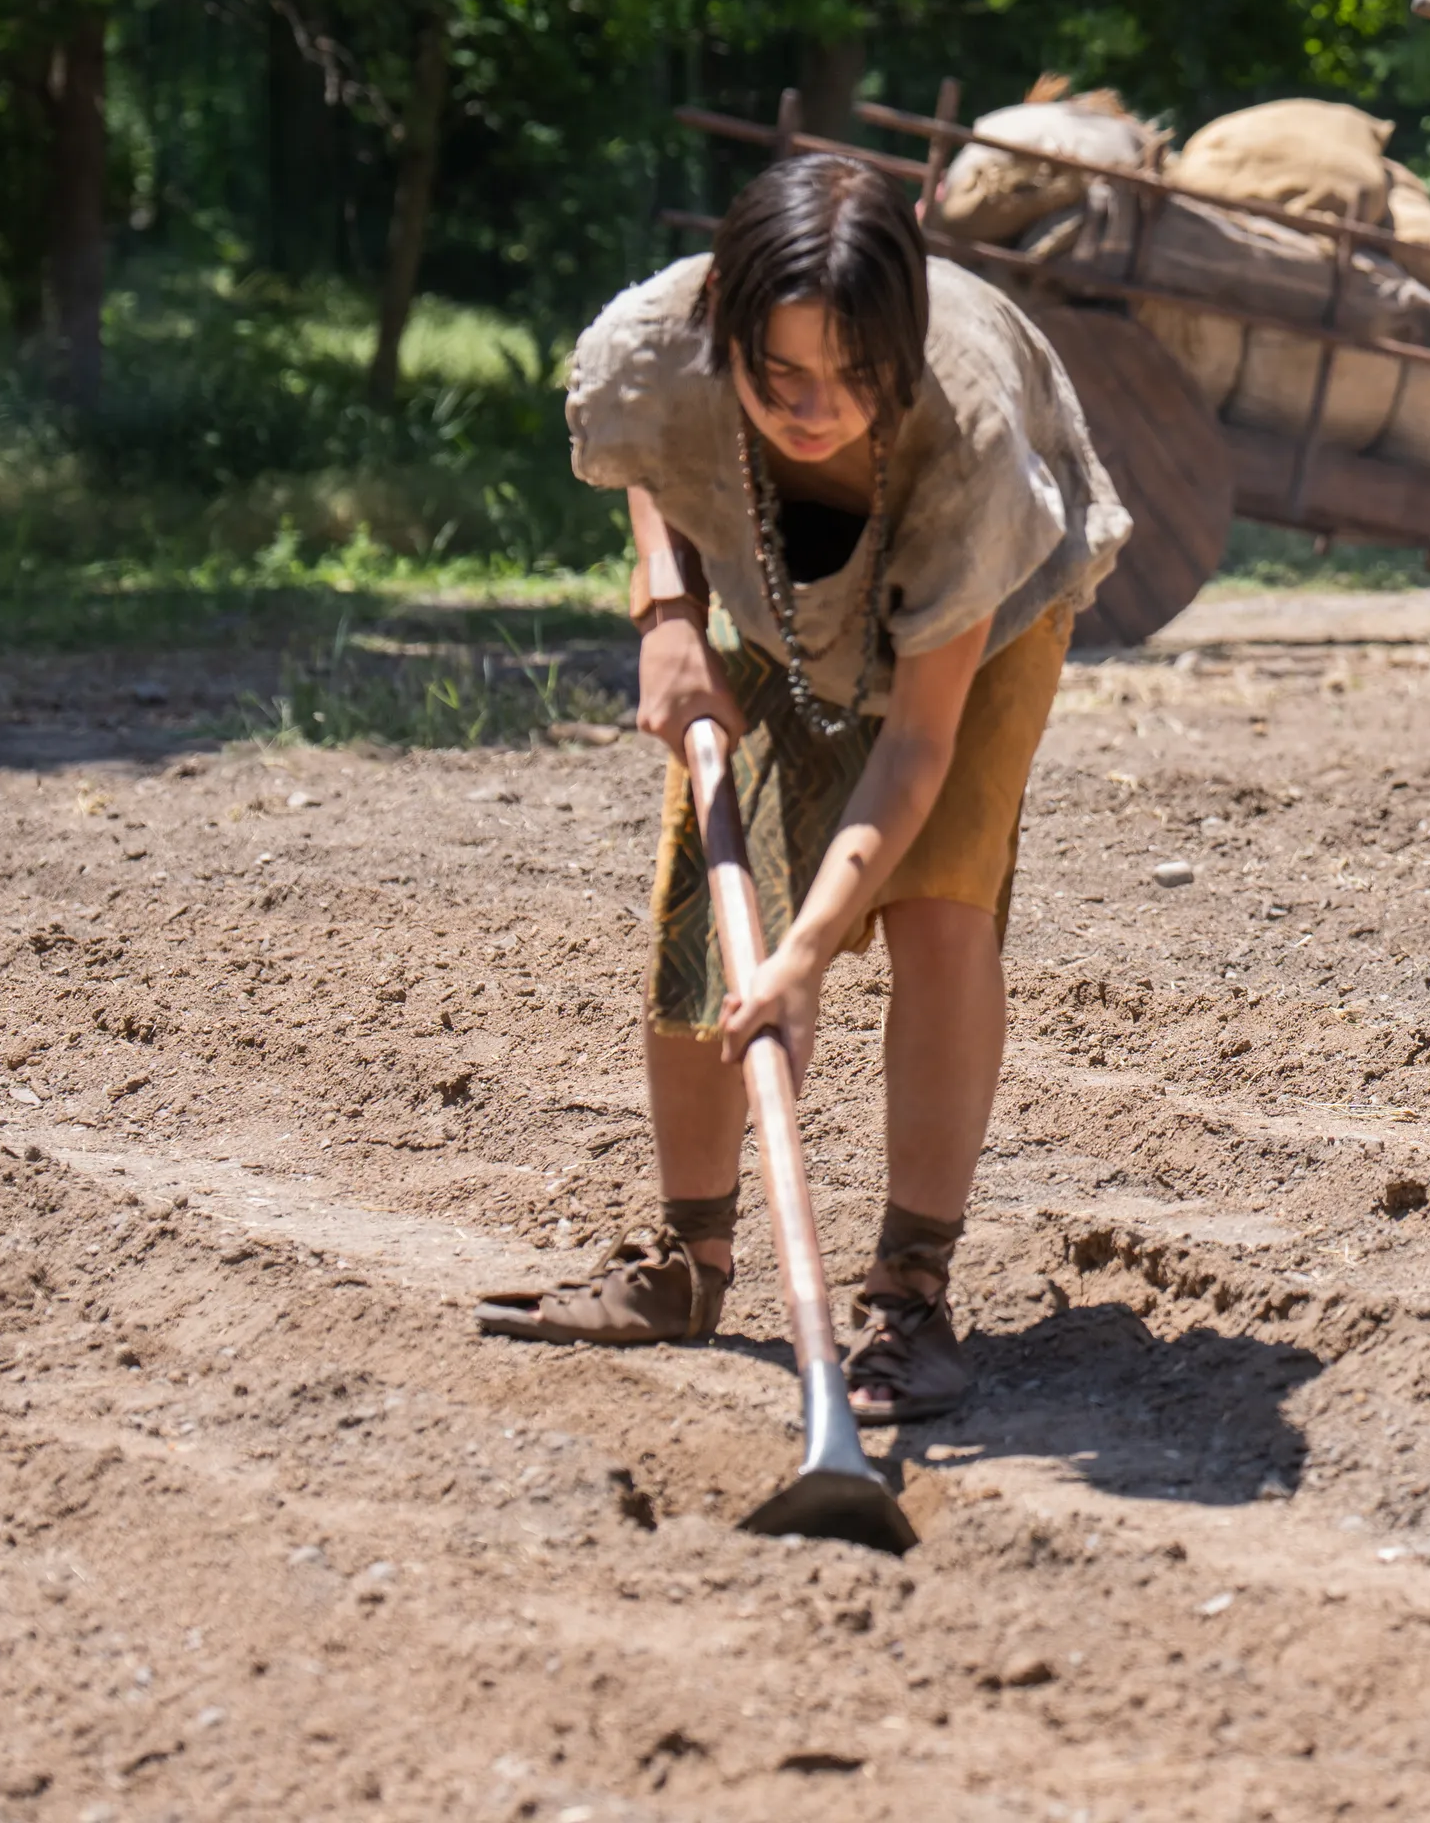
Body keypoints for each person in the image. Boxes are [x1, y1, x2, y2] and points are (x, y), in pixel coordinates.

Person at [475, 152, 1127, 1425]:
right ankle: (689, 1259)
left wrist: (813, 955)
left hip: (978, 627)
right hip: (773, 602)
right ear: (726, 326)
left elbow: (916, 748)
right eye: (781, 379)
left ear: (905, 341)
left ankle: (910, 1295)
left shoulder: (973, 430)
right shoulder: (659, 343)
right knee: (711, 918)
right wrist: (668, 613)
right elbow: (658, 462)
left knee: (939, 902)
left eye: (855, 378)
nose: (817, 409)